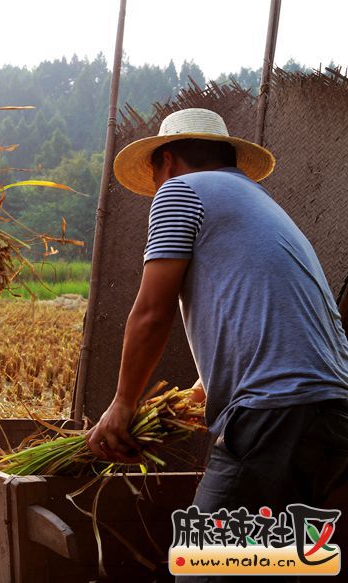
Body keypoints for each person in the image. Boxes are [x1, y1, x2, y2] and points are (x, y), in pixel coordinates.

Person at [86, 108, 348, 528]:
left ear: (166, 160)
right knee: (270, 565)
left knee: (209, 566)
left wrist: (122, 404)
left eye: (155, 176)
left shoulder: (181, 190)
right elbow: (266, 321)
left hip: (275, 413)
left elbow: (153, 312)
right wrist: (189, 402)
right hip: (330, 411)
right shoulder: (256, 204)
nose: (156, 189)